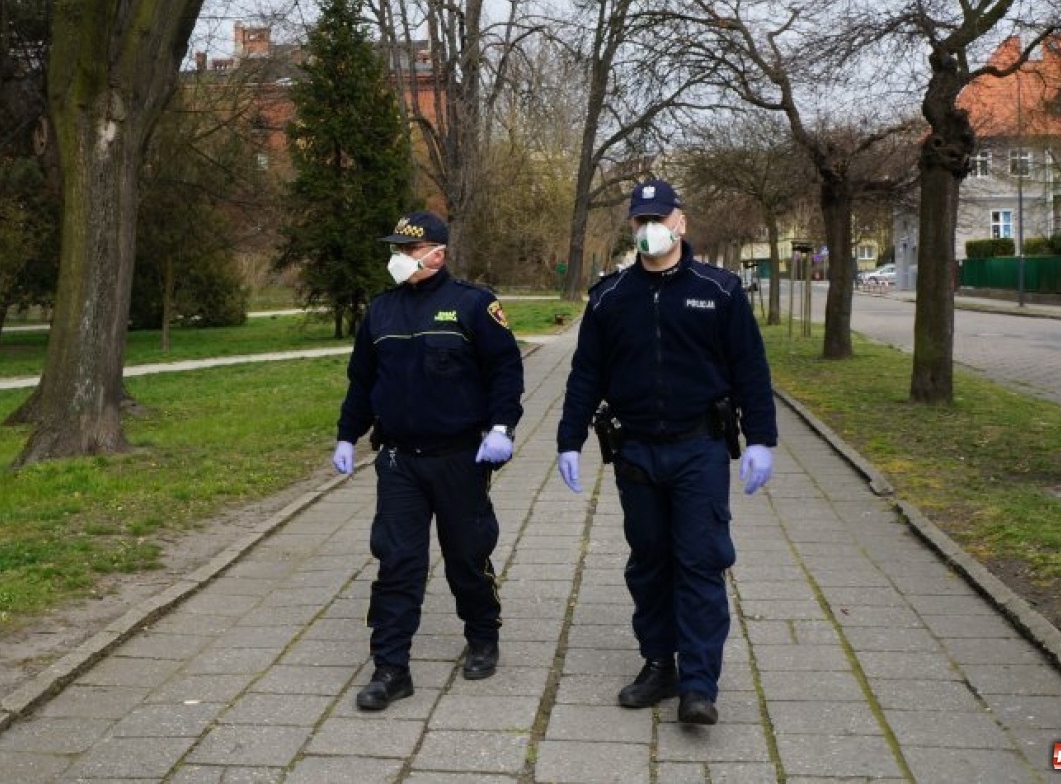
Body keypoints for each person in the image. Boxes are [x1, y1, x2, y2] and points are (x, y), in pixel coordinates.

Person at [553, 179, 776, 727]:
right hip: (635, 450)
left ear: (681, 222)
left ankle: (699, 684)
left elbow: (750, 368)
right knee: (649, 561)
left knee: (700, 561)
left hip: (699, 446)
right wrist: (568, 439)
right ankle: (659, 664)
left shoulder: (718, 290)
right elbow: (586, 373)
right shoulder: (610, 297)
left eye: (660, 217)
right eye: (641, 219)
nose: (650, 228)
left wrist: (761, 438)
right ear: (632, 226)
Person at [332, 210, 525, 711]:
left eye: (410, 249)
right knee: (397, 562)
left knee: (466, 556)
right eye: (396, 249)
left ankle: (482, 635)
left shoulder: (472, 305)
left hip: (459, 457)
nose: (399, 257)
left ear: (438, 253)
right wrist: (347, 436)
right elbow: (362, 381)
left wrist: (502, 427)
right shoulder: (381, 311)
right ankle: (391, 668)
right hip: (400, 459)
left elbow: (506, 371)